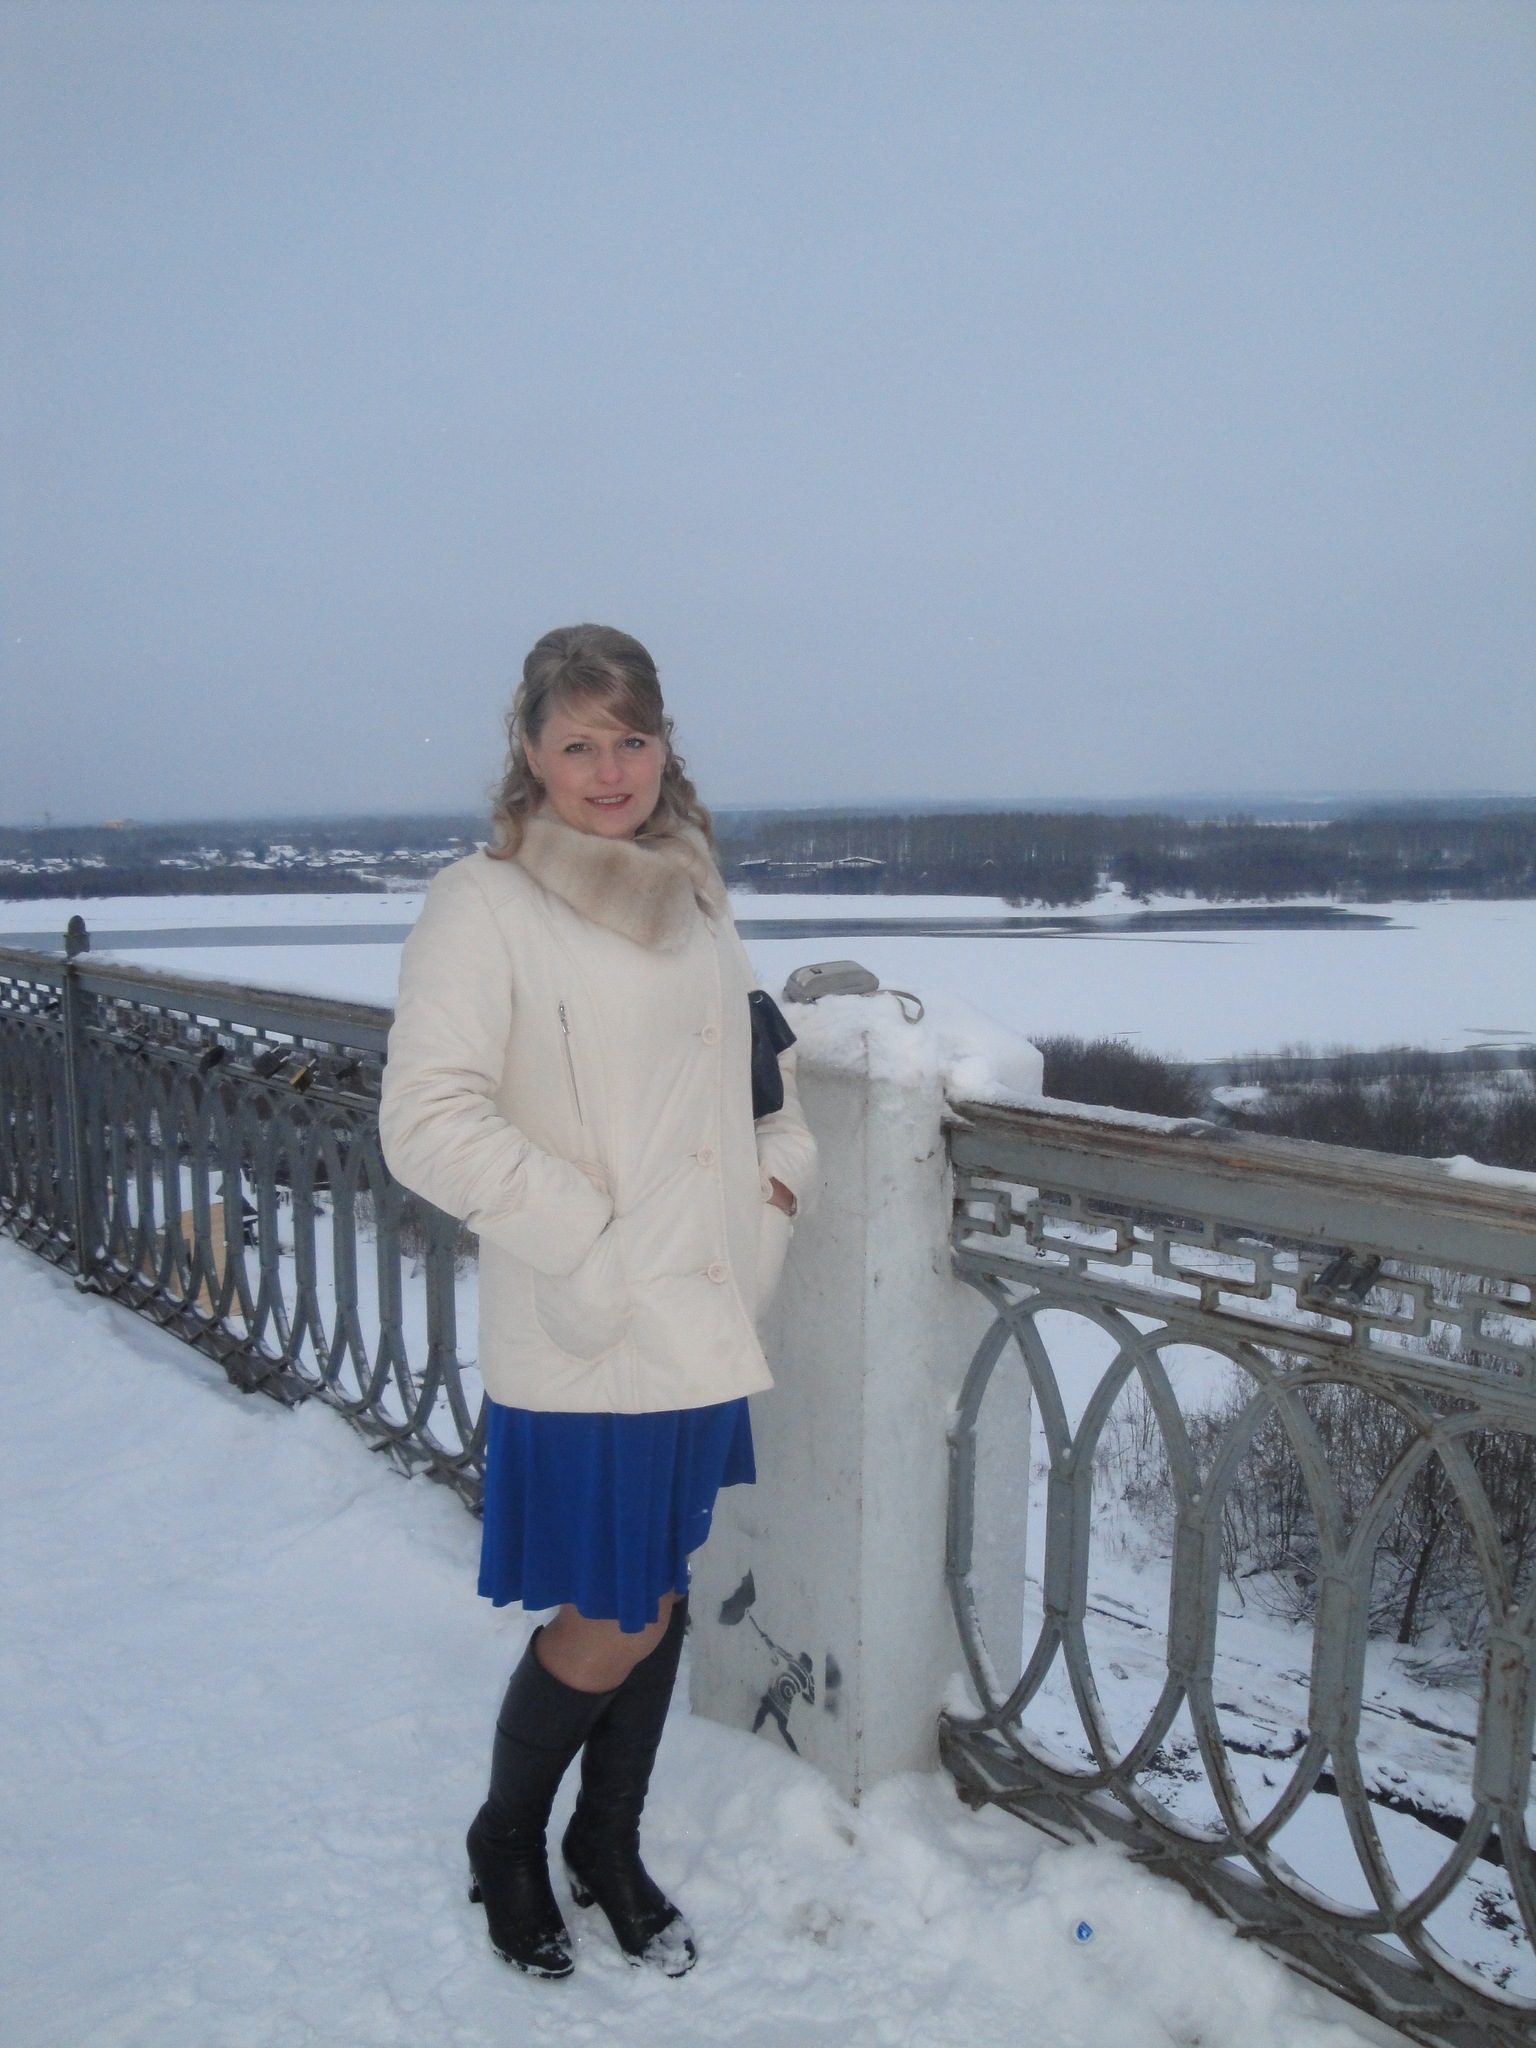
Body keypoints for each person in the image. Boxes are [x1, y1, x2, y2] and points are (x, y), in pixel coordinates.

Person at [379, 624, 817, 1981]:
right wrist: (592, 1236)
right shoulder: (486, 903)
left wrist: (781, 1181)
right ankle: (508, 1837)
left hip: (704, 1313)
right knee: (613, 1613)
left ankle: (606, 1843)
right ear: (531, 752)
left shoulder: (692, 887)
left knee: (658, 1590)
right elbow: (424, 1120)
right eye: (580, 742)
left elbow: (761, 1080)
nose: (612, 769)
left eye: (633, 738)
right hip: (596, 1318)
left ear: (666, 744)